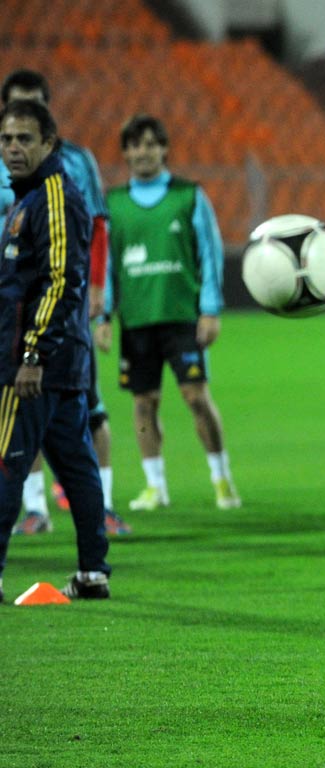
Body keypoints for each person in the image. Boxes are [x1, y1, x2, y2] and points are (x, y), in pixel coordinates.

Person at [0, 69, 128, 536]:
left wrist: (101, 299)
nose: (15, 143)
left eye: (32, 106)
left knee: (84, 411)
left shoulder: (75, 163)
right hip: (8, 314)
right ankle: (37, 510)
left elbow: (97, 228)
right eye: (9, 123)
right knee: (19, 421)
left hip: (60, 308)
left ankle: (104, 508)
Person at [93, 114, 241, 512]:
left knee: (196, 397)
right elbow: (103, 265)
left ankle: (221, 476)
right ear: (125, 153)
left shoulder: (189, 196)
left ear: (164, 149)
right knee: (143, 405)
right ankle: (155, 484)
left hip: (182, 317)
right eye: (135, 145)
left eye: (150, 143)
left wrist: (210, 310)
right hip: (137, 320)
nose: (143, 151)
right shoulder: (114, 204)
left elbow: (209, 254)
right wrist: (103, 316)